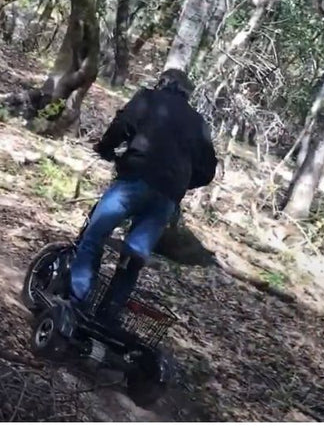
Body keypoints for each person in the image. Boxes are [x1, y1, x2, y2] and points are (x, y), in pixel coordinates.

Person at [69, 68, 218, 324]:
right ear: (187, 94)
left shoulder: (148, 98)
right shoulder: (199, 123)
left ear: (163, 83)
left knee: (94, 235)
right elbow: (207, 171)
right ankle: (108, 316)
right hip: (167, 197)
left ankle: (77, 301)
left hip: (134, 179)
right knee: (133, 257)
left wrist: (105, 149)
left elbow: (122, 124)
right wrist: (180, 181)